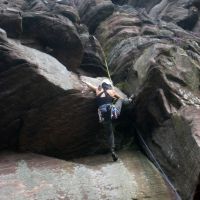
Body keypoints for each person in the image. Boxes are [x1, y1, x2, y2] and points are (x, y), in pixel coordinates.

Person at [85, 79, 134, 161]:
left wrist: (86, 82)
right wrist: (128, 100)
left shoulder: (98, 91)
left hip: (102, 115)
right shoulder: (112, 91)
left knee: (110, 133)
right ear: (109, 85)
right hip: (111, 111)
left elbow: (92, 87)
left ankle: (112, 150)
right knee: (121, 100)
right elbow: (122, 100)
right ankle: (130, 100)